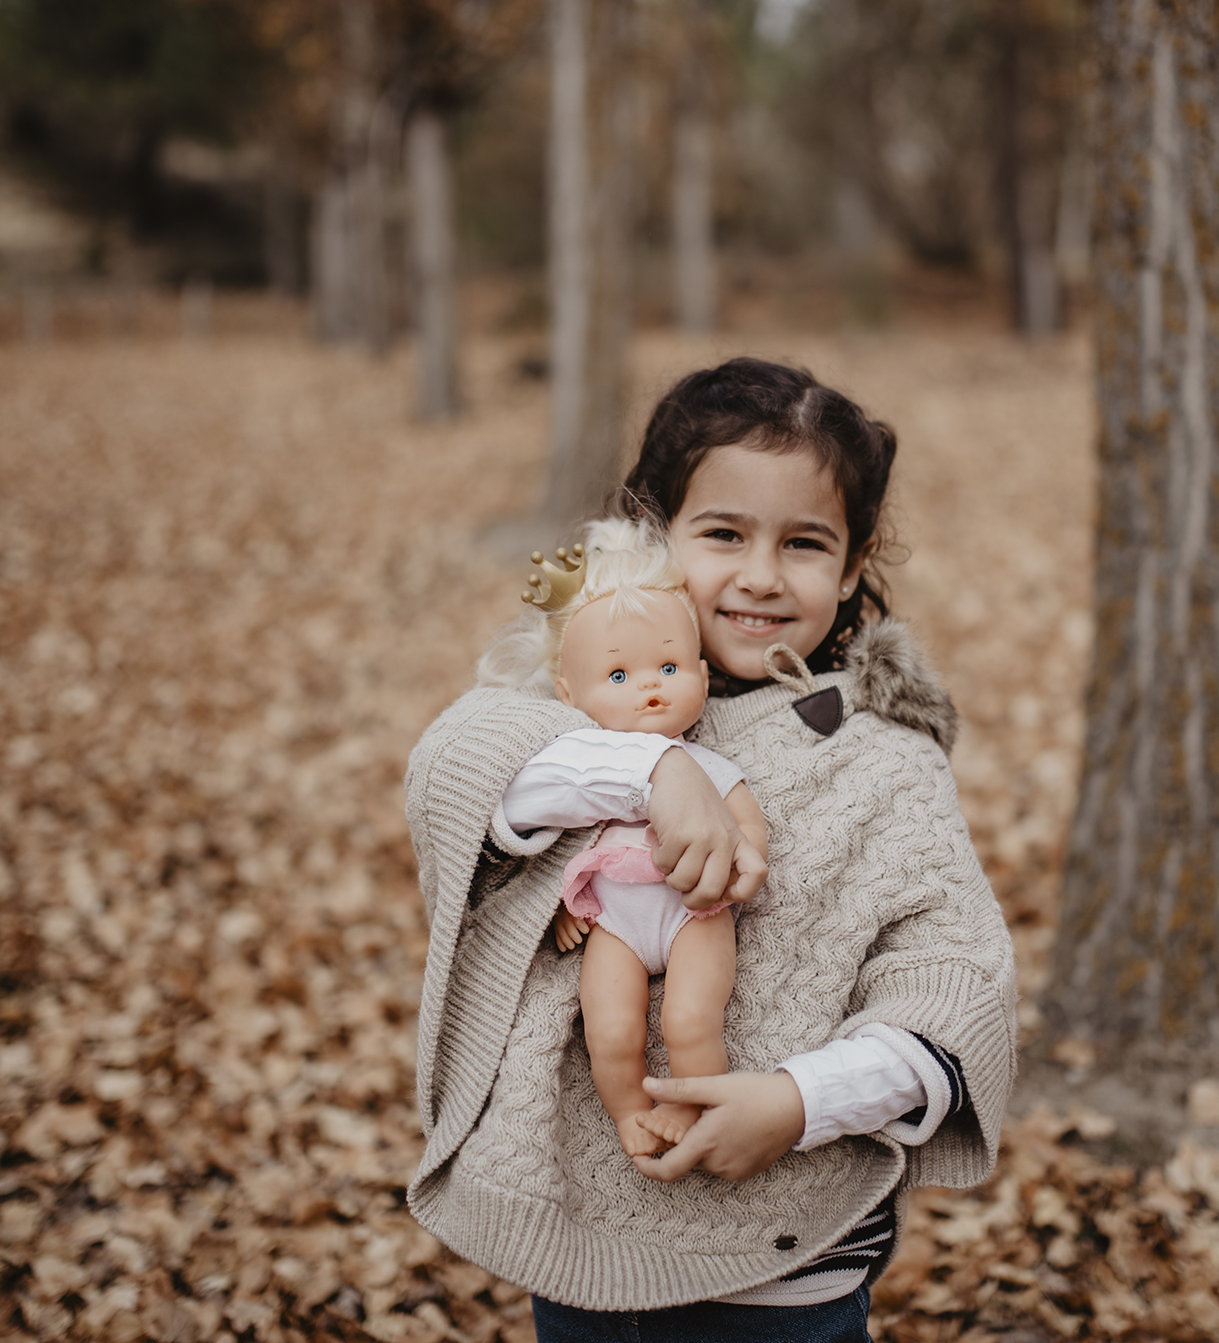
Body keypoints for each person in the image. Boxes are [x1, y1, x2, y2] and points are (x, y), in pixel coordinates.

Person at [404, 358, 1017, 1340]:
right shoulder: (573, 700)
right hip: (584, 1239)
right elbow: (456, 769)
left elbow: (951, 983)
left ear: (853, 566)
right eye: (723, 534)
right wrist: (655, 773)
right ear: (656, 539)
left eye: (805, 544)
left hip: (784, 1272)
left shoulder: (882, 760)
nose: (760, 576)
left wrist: (798, 1101)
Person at [503, 519, 770, 1158]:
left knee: (690, 1018)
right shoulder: (584, 775)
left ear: (703, 678)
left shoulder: (710, 772)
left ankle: (690, 1099)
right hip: (616, 923)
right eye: (618, 677)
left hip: (695, 910)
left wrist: (746, 854)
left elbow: (745, 823)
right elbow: (561, 852)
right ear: (569, 696)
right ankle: (628, 1112)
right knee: (612, 1026)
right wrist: (569, 910)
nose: (649, 686)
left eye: (670, 665)